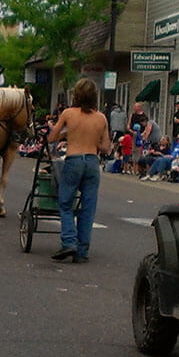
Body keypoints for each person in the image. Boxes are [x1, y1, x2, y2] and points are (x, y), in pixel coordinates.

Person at [47, 78, 110, 262]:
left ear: (76, 94)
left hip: (74, 159)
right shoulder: (101, 118)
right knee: (88, 208)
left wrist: (66, 134)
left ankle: (69, 242)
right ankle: (82, 250)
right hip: (92, 161)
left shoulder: (68, 113)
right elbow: (106, 147)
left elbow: (52, 137)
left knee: (66, 203)